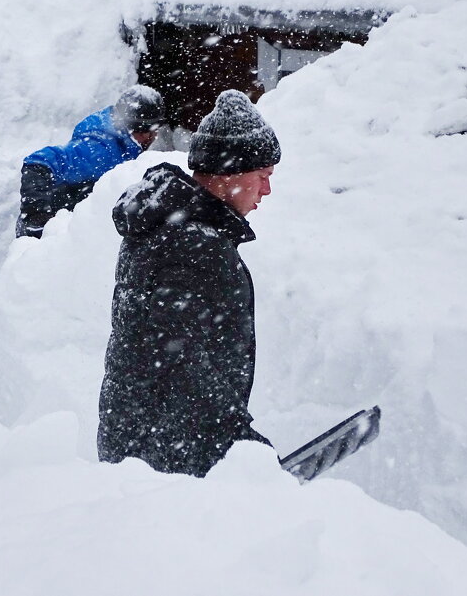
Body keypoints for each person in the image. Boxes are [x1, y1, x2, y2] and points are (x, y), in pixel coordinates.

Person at [97, 90, 280, 476]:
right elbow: (179, 363)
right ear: (230, 173)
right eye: (262, 177)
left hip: (142, 446)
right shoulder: (193, 244)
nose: (267, 191)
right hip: (170, 461)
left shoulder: (167, 227)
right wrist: (239, 441)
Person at [16, 85, 166, 238]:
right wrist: (37, 218)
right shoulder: (101, 150)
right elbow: (38, 162)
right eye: (148, 131)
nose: (153, 137)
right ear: (133, 128)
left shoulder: (123, 144)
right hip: (51, 236)